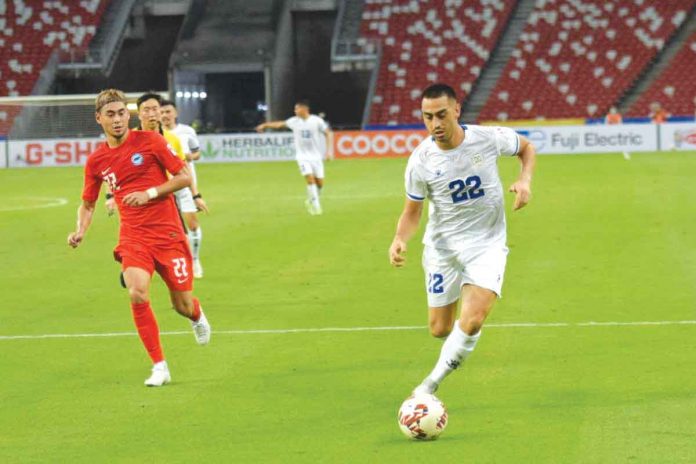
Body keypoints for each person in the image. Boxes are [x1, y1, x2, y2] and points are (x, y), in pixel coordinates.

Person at [388, 83, 536, 396]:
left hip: (487, 244)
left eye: (441, 115)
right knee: (440, 329)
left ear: (457, 110)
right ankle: (454, 349)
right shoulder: (420, 161)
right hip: (442, 249)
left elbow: (526, 148)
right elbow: (412, 212)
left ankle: (427, 388)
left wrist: (524, 180)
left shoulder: (487, 138)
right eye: (428, 117)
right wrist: (399, 239)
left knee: (472, 320)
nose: (435, 124)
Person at [67, 89, 211, 387]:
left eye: (121, 113)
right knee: (136, 291)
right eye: (110, 114)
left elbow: (183, 176)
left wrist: (150, 192)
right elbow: (89, 203)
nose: (117, 119)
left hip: (168, 234)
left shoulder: (150, 141)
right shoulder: (96, 161)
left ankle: (196, 315)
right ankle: (159, 365)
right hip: (133, 237)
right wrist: (80, 230)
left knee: (182, 305)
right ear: (99, 119)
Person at [255, 100, 332, 215]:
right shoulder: (294, 121)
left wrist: (328, 151)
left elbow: (328, 133)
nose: (295, 111)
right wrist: (265, 125)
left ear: (304, 109)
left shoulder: (317, 121)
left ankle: (311, 198)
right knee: (310, 179)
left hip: (316, 157)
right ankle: (316, 207)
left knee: (320, 183)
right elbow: (279, 124)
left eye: (297, 109)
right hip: (302, 157)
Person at [161, 99, 206, 278]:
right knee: (173, 229)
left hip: (185, 183)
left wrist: (189, 156)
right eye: (162, 112)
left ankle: (195, 260)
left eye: (168, 112)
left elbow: (197, 153)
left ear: (176, 113)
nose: (165, 115)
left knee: (192, 225)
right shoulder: (155, 134)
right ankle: (179, 262)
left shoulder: (187, 131)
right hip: (164, 187)